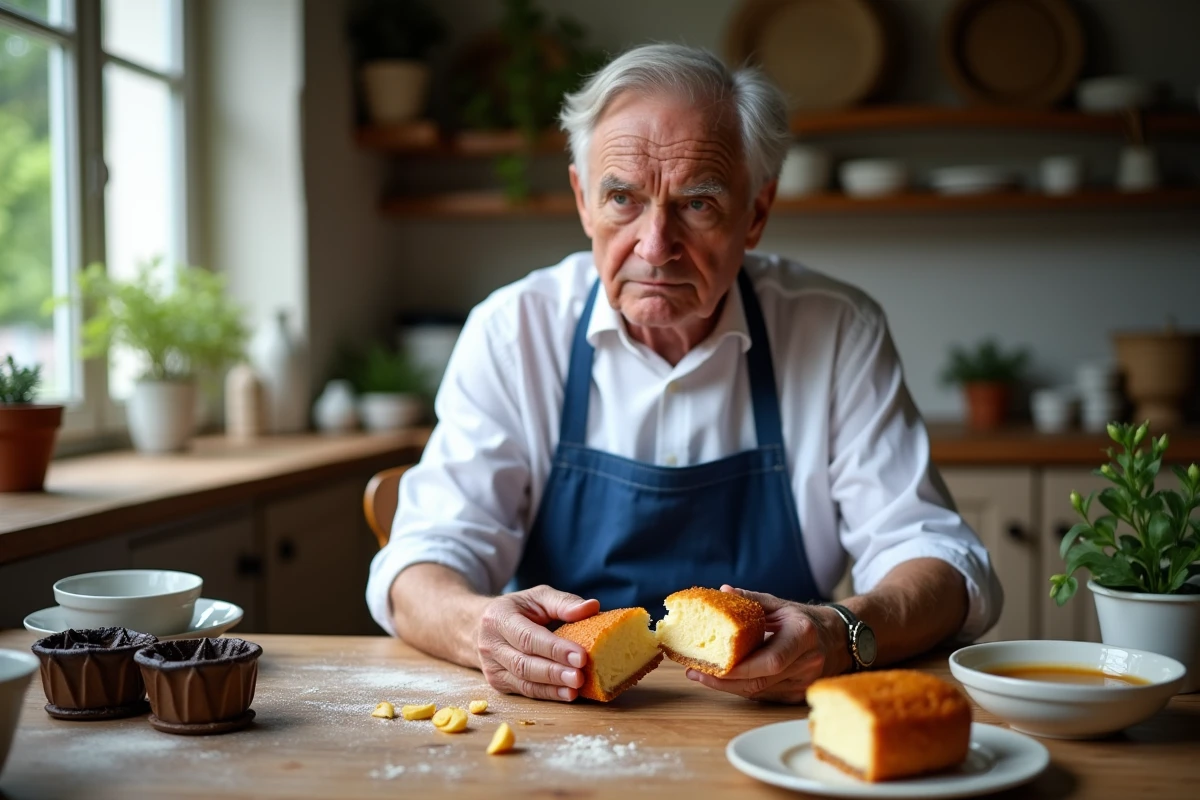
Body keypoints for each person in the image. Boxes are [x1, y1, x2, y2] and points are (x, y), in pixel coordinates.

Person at [366, 43, 1002, 704]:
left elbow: (939, 562)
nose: (654, 245)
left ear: (756, 212)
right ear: (584, 199)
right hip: (555, 731)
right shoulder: (513, 332)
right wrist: (483, 630)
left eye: (697, 204)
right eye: (622, 198)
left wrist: (840, 629)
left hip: (775, 728)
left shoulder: (837, 330)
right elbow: (418, 566)